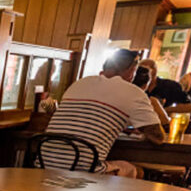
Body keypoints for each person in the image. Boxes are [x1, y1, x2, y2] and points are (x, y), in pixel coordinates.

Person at [43, 48, 164, 177]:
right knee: (137, 171)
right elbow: (157, 137)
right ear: (131, 71)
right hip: (84, 172)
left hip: (43, 165)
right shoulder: (134, 93)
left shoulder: (79, 83)